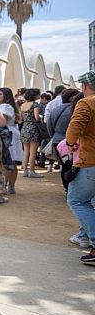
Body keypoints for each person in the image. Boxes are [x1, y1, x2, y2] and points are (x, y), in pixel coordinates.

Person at [64, 71, 95, 265]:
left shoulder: (87, 103)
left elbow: (74, 128)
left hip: (90, 159)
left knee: (76, 200)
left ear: (84, 86)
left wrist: (69, 143)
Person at [49, 88, 82, 191]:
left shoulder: (55, 110)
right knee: (74, 166)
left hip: (57, 141)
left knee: (64, 165)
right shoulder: (74, 110)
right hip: (71, 143)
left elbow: (49, 126)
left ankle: (66, 187)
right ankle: (71, 188)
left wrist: (54, 137)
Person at [0, 87, 23, 194]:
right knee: (11, 163)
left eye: (0, 94)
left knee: (8, 162)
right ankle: (10, 186)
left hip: (7, 134)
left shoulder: (6, 106)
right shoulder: (6, 106)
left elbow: (2, 121)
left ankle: (5, 186)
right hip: (10, 133)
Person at [19, 88, 44, 178]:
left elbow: (21, 118)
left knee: (26, 151)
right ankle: (32, 171)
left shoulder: (22, 105)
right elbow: (37, 118)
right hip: (33, 128)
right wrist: (41, 118)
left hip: (24, 128)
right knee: (33, 152)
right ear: (35, 95)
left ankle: (25, 170)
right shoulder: (35, 105)